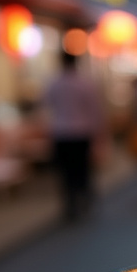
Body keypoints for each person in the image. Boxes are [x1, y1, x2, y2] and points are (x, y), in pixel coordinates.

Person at [43, 50, 105, 220]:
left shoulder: (53, 83)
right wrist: (99, 133)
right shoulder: (84, 83)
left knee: (65, 171)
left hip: (61, 132)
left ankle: (70, 204)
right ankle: (84, 197)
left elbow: (46, 105)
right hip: (81, 132)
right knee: (82, 168)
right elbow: (95, 110)